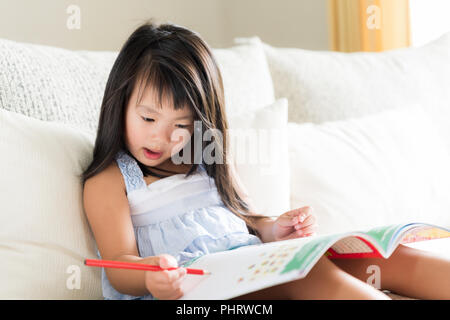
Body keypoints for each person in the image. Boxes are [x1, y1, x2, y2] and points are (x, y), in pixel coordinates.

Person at [82, 20, 450, 300]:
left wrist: (275, 229)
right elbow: (118, 263)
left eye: (181, 125)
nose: (162, 137)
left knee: (379, 257)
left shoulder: (206, 159)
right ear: (120, 102)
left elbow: (248, 220)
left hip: (247, 269)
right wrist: (149, 277)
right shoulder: (112, 179)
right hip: (194, 292)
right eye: (148, 119)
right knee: (308, 273)